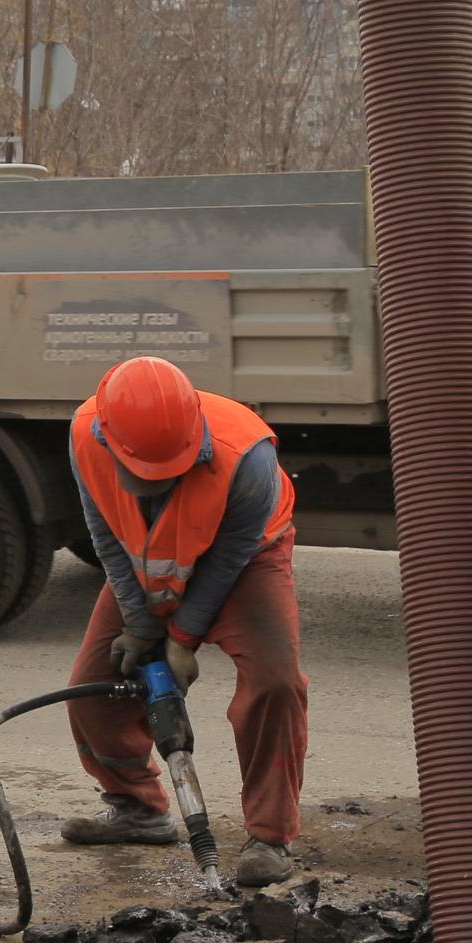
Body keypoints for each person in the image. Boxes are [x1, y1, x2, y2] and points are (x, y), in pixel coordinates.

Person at [61, 356, 307, 889]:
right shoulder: (85, 434)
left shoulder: (247, 456)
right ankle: (139, 811)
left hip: (245, 560)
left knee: (275, 684)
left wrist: (181, 637)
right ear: (107, 438)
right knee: (89, 688)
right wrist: (139, 622)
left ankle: (270, 836)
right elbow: (105, 533)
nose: (154, 482)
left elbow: (231, 552)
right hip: (142, 561)